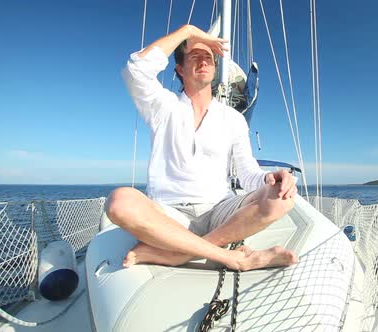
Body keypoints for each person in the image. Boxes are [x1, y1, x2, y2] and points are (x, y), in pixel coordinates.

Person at [106, 24, 298, 272]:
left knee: (282, 198)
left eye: (208, 57)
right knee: (119, 202)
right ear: (179, 69)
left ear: (215, 68)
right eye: (194, 56)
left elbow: (248, 174)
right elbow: (136, 70)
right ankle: (231, 258)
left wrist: (270, 177)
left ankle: (177, 256)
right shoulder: (163, 107)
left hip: (220, 212)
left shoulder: (233, 119)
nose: (204, 61)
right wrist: (187, 32)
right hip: (168, 215)